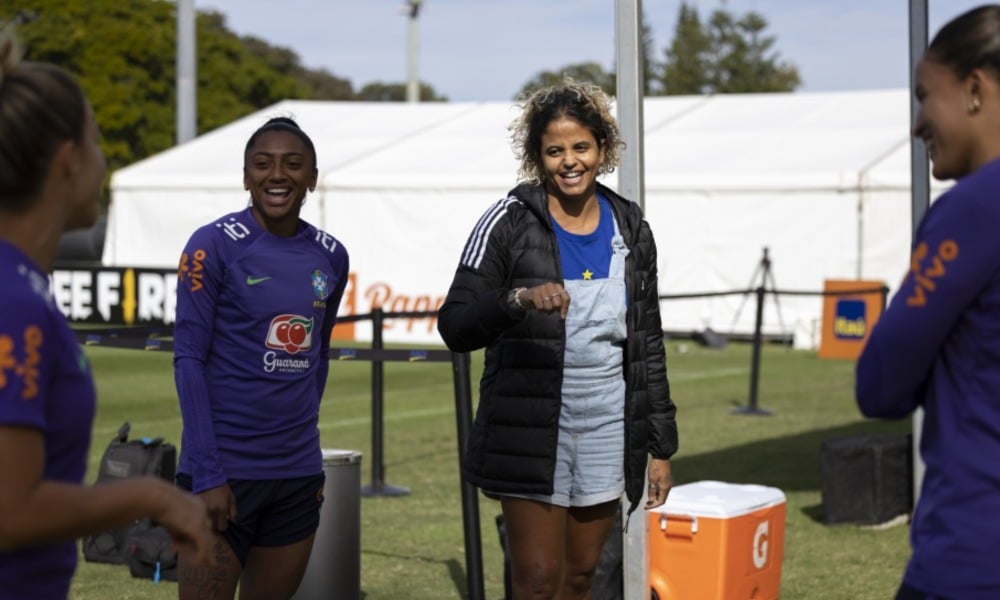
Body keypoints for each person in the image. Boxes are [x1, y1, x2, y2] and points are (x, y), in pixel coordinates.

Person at [437, 78, 678, 599]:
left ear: (603, 149)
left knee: (580, 577)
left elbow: (647, 344)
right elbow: (454, 326)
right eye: (555, 150)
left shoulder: (631, 227)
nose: (570, 161)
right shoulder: (507, 223)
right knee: (538, 580)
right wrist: (517, 300)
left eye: (581, 147)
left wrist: (660, 448)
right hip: (530, 427)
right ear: (536, 156)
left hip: (608, 425)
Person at [0, 28, 213, 600]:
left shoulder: (21, 286)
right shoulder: (13, 300)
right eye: (97, 142)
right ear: (67, 162)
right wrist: (152, 496)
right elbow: (10, 510)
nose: (106, 160)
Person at [856, 5, 1000, 600]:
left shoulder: (973, 209)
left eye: (924, 96)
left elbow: (881, 385)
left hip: (974, 554)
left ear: (974, 89)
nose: (917, 123)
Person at [173, 115, 350, 600]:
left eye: (293, 165)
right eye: (263, 164)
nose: (278, 175)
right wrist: (207, 473)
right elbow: (188, 357)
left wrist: (300, 429)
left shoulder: (331, 256)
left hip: (295, 474)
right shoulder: (212, 245)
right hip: (222, 474)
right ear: (246, 176)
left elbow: (320, 351)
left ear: (311, 178)